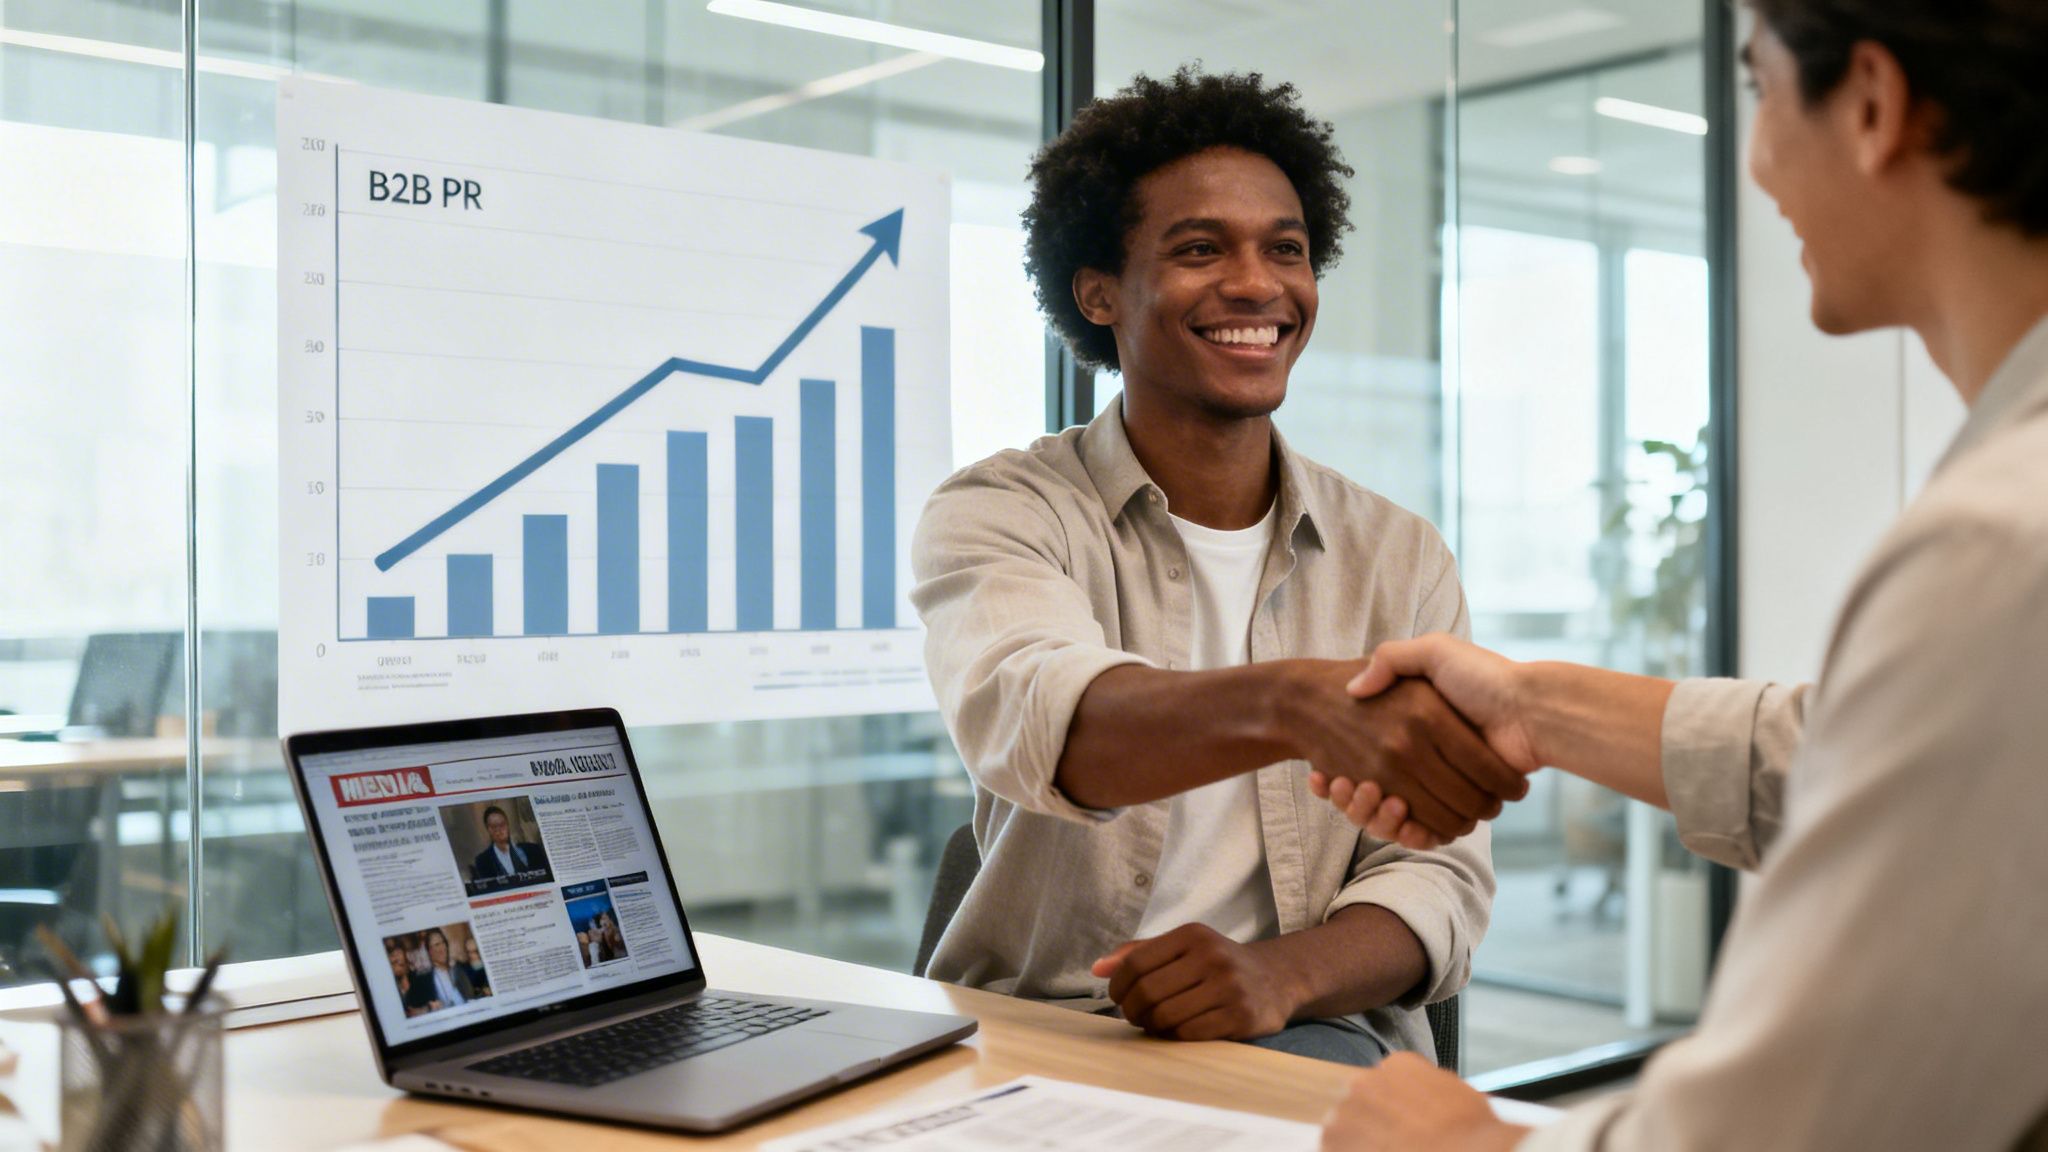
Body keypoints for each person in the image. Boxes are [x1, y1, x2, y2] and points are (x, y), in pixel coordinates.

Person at [1316, 1, 2048, 1146]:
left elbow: (1807, 1122)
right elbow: (1880, 755)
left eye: (1755, 90)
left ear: (1868, 103)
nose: (1752, 163)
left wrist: (1463, 1145)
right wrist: (1530, 706)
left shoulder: (2001, 547)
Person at [910, 66, 1523, 1067]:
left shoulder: (1396, 555)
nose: (1255, 283)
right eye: (1199, 249)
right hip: (1042, 1031)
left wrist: (1278, 975)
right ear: (1098, 290)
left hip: (1307, 1032)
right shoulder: (1000, 511)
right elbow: (1043, 724)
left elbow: (1438, 875)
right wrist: (1297, 703)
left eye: (1285, 249)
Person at [469, 804, 549, 883]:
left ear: (507, 825)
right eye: (494, 826)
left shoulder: (534, 850)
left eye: (502, 824)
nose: (499, 830)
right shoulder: (482, 861)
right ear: (488, 829)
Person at [420, 927, 473, 1010]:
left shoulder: (459, 969)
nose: (442, 948)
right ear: (429, 951)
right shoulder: (427, 980)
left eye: (443, 943)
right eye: (437, 944)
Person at [387, 941, 433, 1017]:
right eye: (391, 955)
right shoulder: (390, 988)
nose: (395, 959)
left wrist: (422, 1010)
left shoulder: (421, 978)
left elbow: (437, 1003)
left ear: (405, 955)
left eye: (398, 953)